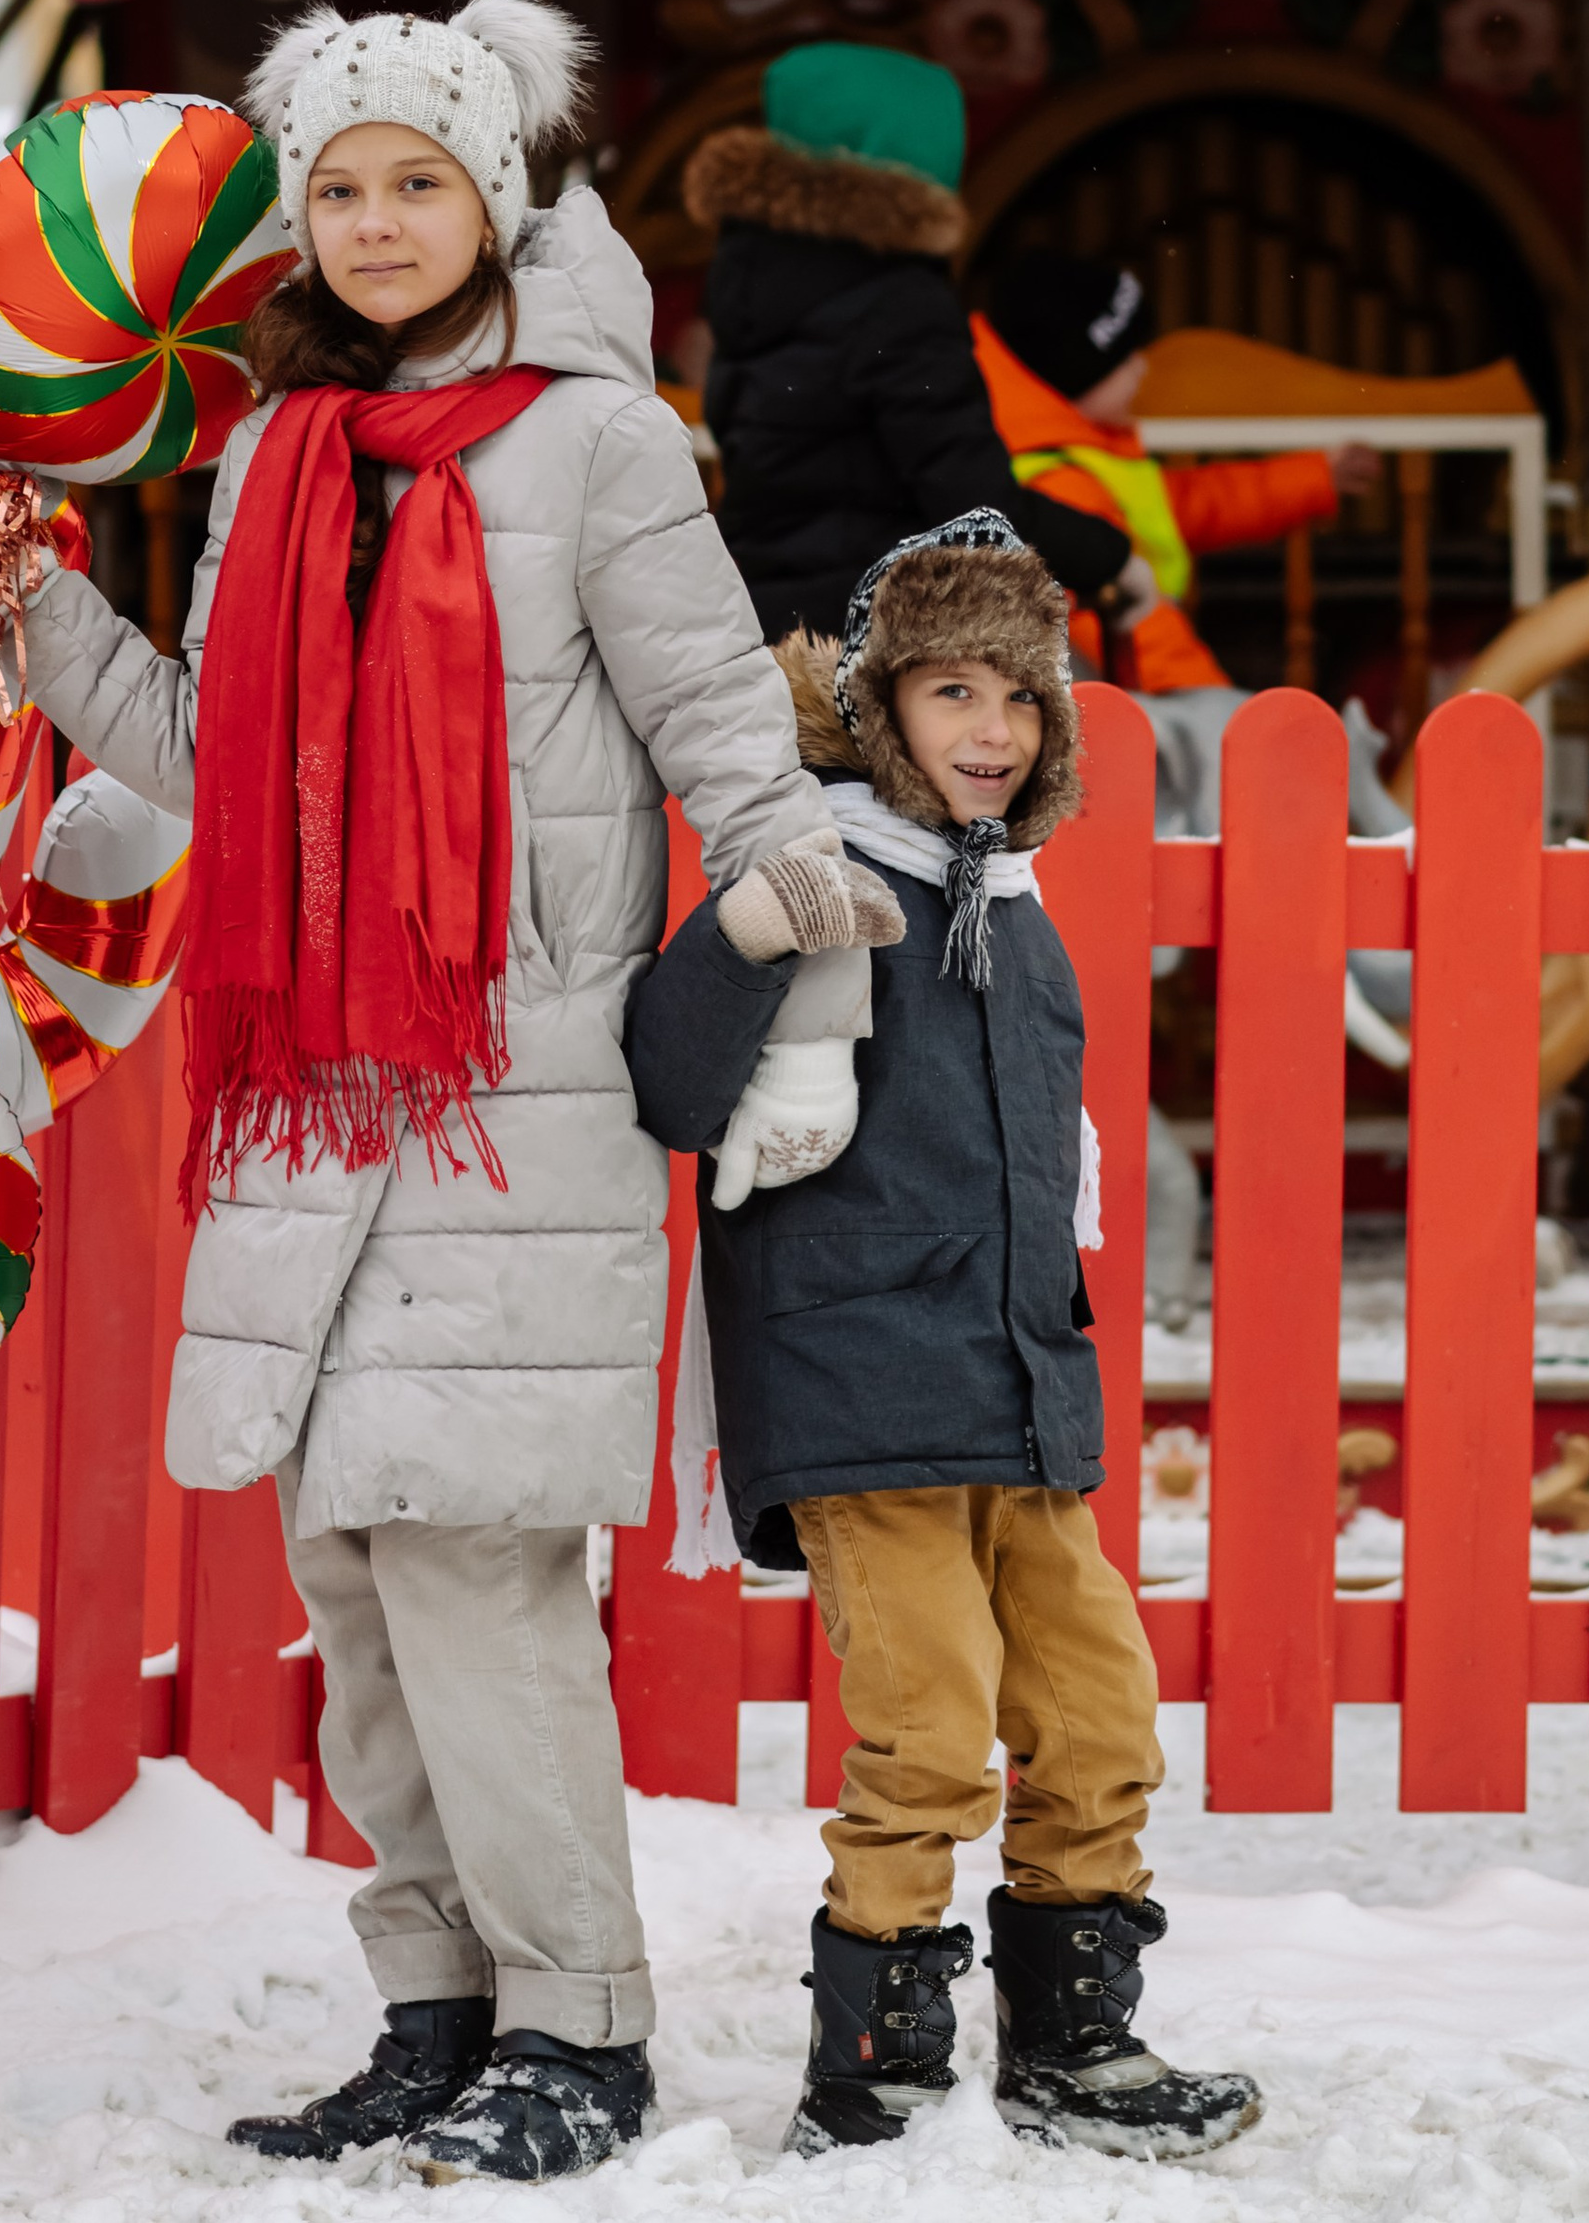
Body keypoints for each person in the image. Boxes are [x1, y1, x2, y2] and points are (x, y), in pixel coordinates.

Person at [9, 0, 894, 2185]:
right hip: (315, 1087)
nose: (380, 218)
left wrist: (812, 1024)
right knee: (355, 1571)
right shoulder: (266, 460)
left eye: (419, 180)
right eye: (339, 186)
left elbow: (723, 735)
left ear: (494, 198)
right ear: (296, 224)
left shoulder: (596, 444)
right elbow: (213, 756)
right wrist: (23, 599)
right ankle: (436, 2000)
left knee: (478, 1569)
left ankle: (576, 2022)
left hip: (521, 1088)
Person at [623, 510, 1261, 2166]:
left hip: (1016, 1395)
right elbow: (678, 1084)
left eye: (1021, 700)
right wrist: (753, 936)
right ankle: (879, 2061)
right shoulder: (816, 876)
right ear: (878, 706)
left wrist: (1061, 1349)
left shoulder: (1022, 918)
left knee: (1100, 1710)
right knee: (926, 1721)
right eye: (953, 693)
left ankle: (1075, 2042)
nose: (992, 731)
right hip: (856, 1386)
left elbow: (1046, 1166)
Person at [686, 41, 1137, 643]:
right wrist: (1109, 556)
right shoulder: (899, 305)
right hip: (881, 641)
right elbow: (975, 504)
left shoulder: (752, 286)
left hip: (768, 627)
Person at [974, 247, 1379, 701]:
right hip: (1129, 702)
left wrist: (1310, 476)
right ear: (1072, 376)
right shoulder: (1057, 481)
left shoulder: (1081, 454)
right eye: (1124, 358)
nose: (1142, 368)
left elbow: (1193, 503)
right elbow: (1136, 623)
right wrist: (1217, 713)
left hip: (1134, 695)